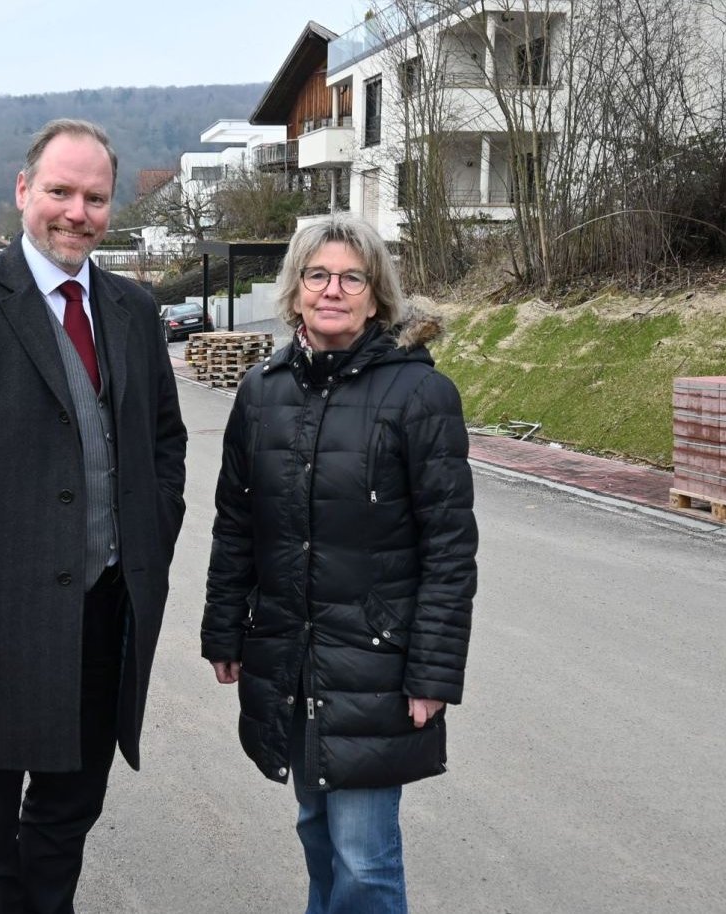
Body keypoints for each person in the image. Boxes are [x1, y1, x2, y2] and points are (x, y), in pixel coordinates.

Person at [0, 119, 188, 914]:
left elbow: (164, 443)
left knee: (67, 819)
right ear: (24, 191)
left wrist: (146, 544)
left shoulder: (132, 309)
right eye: (60, 191)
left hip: (103, 617)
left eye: (95, 197)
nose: (77, 213)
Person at [201, 214, 478, 913]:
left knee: (364, 856)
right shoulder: (261, 392)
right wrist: (224, 629)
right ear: (295, 290)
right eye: (318, 275)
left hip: (376, 660)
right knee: (317, 833)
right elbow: (237, 524)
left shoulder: (420, 396)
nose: (333, 290)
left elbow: (449, 548)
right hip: (290, 653)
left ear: (377, 296)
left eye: (352, 278)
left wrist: (432, 672)